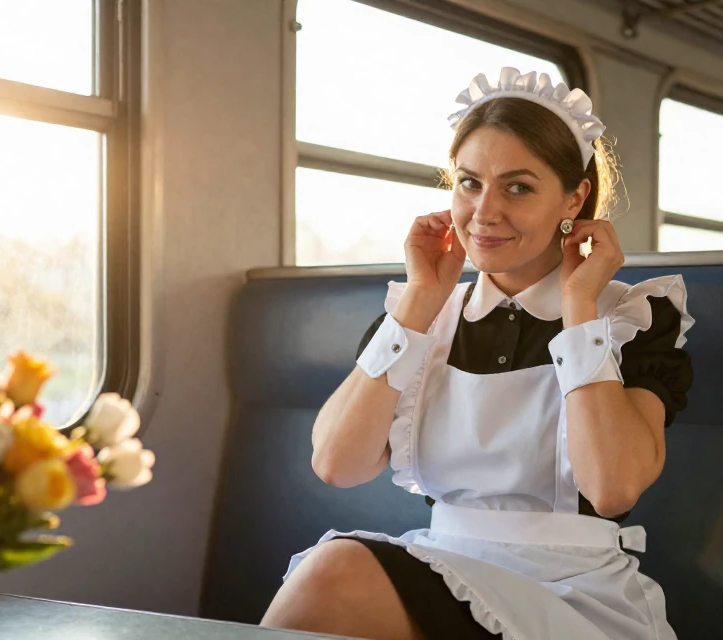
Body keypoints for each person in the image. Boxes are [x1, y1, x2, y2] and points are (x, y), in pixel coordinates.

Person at [261, 67, 694, 640]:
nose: (484, 212)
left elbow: (612, 488)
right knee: (334, 570)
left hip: (572, 595)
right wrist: (419, 302)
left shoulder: (631, 317)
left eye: (518, 187)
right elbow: (337, 465)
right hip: (445, 563)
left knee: (337, 569)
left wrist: (579, 309)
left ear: (575, 196)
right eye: (469, 183)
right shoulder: (419, 319)